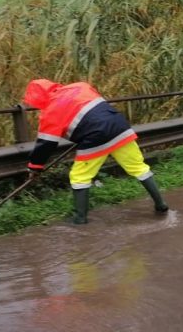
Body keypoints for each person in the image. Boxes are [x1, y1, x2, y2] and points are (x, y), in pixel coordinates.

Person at [23, 79, 169, 224]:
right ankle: (161, 205)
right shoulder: (80, 86)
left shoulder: (49, 113)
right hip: (119, 127)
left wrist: (35, 167)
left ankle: (80, 218)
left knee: (79, 177)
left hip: (95, 137)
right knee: (138, 167)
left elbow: (46, 145)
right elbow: (93, 110)